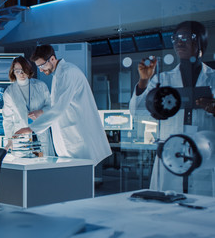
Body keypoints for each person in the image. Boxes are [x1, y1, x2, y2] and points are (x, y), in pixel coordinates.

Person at [129, 21, 215, 195]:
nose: (178, 42)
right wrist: (144, 81)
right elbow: (137, 111)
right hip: (170, 153)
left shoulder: (213, 79)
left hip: (204, 152)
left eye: (185, 37)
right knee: (168, 207)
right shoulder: (163, 79)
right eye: (175, 38)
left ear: (200, 41)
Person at [15, 45, 112, 164]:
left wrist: (30, 129)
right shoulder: (59, 74)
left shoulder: (67, 73)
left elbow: (59, 109)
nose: (40, 70)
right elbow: (59, 104)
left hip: (78, 139)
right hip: (71, 139)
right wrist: (42, 112)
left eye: (42, 65)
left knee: (80, 177)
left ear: (52, 59)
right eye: (38, 66)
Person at [2, 56, 55, 156]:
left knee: (43, 164)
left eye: (23, 70)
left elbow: (51, 107)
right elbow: (7, 120)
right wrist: (10, 140)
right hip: (21, 139)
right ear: (13, 72)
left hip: (41, 135)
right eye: (17, 71)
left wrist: (40, 112)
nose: (21, 74)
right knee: (24, 168)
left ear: (28, 69)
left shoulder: (41, 86)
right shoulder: (9, 92)